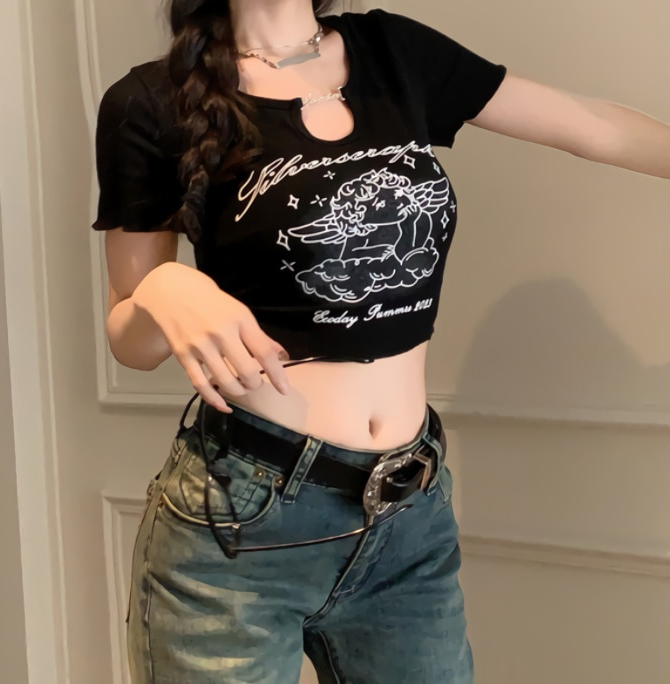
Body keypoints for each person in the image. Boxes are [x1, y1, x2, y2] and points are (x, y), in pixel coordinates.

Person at [92, 0, 669, 682]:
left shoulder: (394, 52)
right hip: (239, 527)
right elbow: (132, 342)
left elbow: (590, 126)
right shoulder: (149, 100)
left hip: (408, 519)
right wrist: (162, 288)